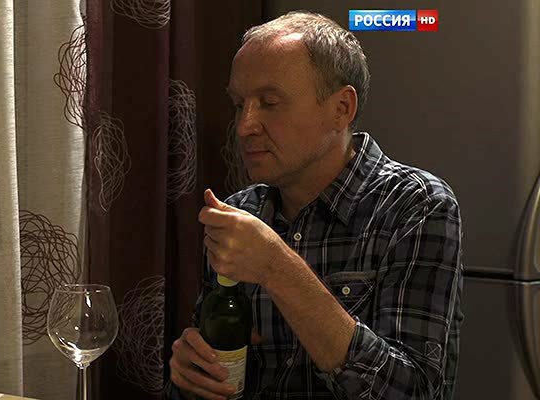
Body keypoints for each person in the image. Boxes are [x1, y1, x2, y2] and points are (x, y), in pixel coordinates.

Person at [165, 10, 463, 400]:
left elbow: (414, 392)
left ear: (341, 109)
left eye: (269, 102)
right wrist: (192, 376)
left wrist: (276, 266)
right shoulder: (242, 213)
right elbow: (215, 372)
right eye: (239, 104)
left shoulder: (416, 206)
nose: (244, 126)